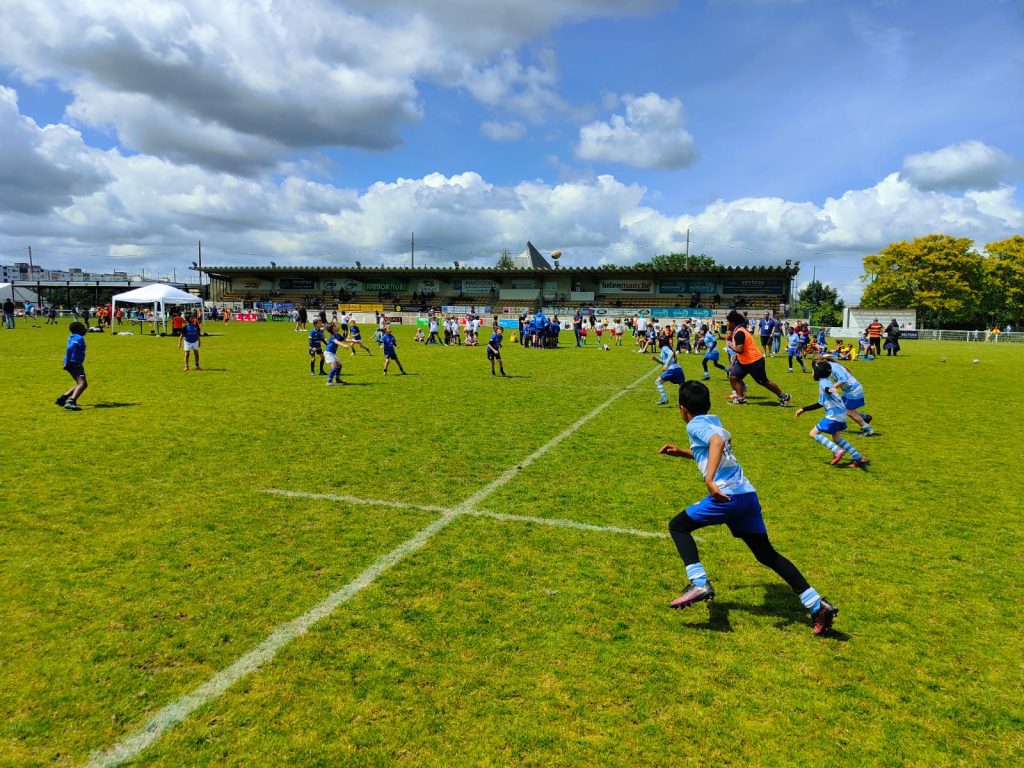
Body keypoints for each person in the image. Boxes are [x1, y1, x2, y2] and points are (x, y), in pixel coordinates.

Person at [658, 381, 840, 636]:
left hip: (727, 498)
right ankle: (816, 604)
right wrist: (683, 452)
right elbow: (715, 447)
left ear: (682, 409)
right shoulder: (714, 421)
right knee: (766, 554)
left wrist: (709, 480)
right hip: (746, 496)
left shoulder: (695, 424)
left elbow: (715, 443)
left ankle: (699, 583)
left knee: (678, 526)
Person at [795, 360, 870, 467]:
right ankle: (858, 458)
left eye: (813, 370)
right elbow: (820, 403)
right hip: (841, 415)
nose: (812, 372)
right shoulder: (828, 381)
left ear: (817, 372)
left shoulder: (823, 382)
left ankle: (837, 450)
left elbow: (827, 389)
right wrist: (804, 409)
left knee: (813, 433)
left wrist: (830, 390)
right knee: (837, 439)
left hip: (834, 416)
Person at [724, 310, 790, 406]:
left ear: (733, 322)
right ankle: (741, 399)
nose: (726, 323)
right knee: (734, 377)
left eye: (728, 321)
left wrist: (730, 345)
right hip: (744, 361)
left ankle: (784, 396)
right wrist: (733, 363)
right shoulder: (738, 331)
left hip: (754, 361)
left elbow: (740, 350)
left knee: (763, 381)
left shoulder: (739, 332)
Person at [827, 360, 874, 436]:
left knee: (848, 412)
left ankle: (868, 429)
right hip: (850, 390)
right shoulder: (832, 366)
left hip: (854, 390)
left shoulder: (833, 367)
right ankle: (865, 418)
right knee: (843, 407)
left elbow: (843, 380)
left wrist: (830, 388)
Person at [56, 321, 89, 410]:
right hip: (74, 363)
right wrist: (67, 362)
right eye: (83, 328)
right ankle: (71, 402)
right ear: (79, 330)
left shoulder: (73, 337)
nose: (85, 329)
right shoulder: (79, 338)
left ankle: (62, 399)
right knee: (82, 384)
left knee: (80, 383)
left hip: (72, 362)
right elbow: (70, 348)